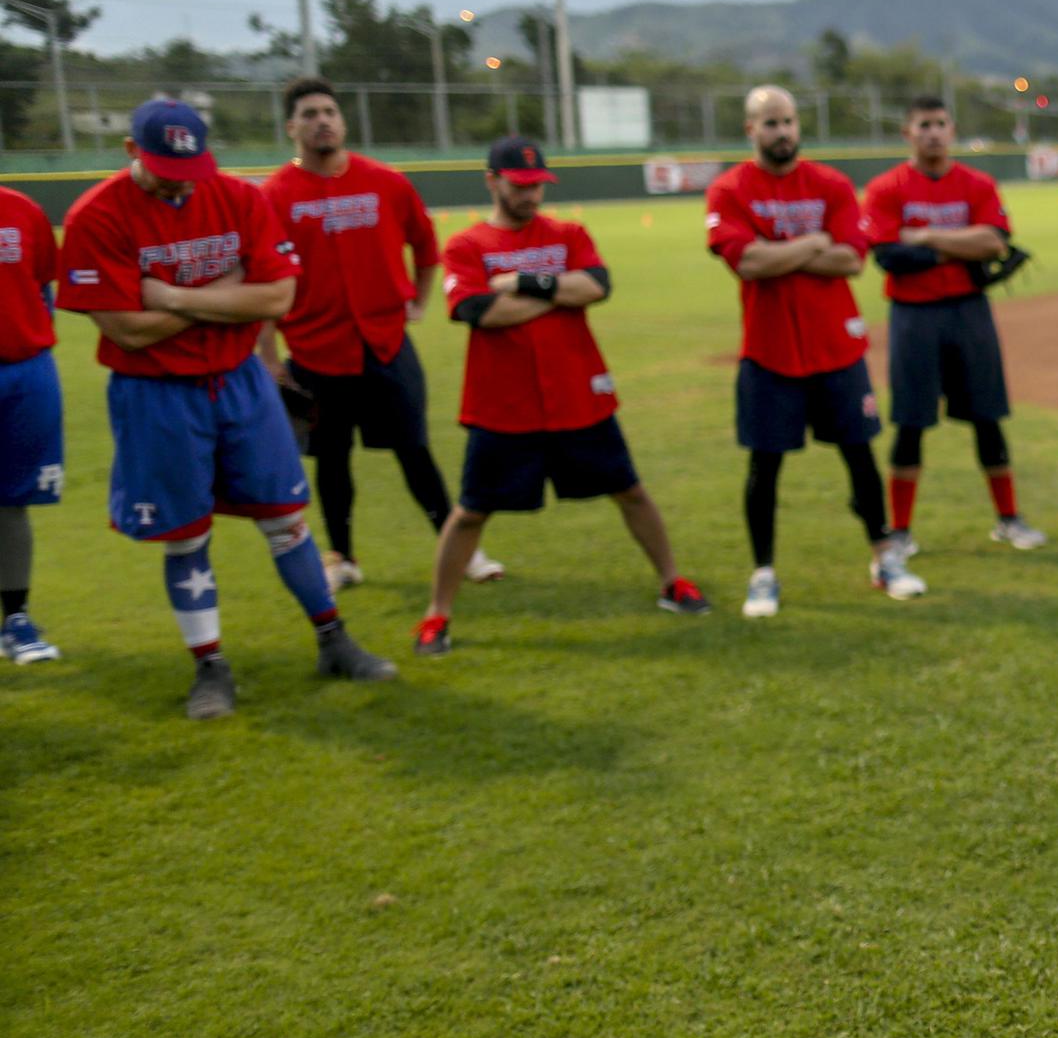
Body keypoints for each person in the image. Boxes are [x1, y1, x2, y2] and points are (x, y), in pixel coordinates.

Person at [56, 100, 397, 717]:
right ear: (132, 152)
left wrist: (170, 293)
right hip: (155, 392)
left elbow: (276, 295)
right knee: (186, 533)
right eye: (164, 167)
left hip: (239, 380)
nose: (181, 180)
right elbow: (127, 329)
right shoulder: (96, 215)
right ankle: (210, 667)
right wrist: (225, 292)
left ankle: (333, 638)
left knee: (286, 516)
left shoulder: (238, 197)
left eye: (191, 167)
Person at [412, 137, 709, 654]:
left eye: (537, 186)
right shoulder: (467, 246)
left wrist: (521, 283)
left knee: (631, 491)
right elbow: (482, 314)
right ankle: (438, 615)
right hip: (503, 406)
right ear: (492, 181)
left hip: (579, 395)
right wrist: (555, 294)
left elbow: (596, 287)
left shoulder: (569, 232)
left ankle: (671, 582)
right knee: (471, 513)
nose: (531, 196)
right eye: (520, 185)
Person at [259, 74, 500, 592]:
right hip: (315, 352)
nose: (322, 121)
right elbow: (263, 280)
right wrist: (270, 357)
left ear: (342, 121)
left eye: (329, 111)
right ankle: (341, 556)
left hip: (385, 345)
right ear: (291, 128)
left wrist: (417, 302)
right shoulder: (275, 195)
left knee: (414, 449)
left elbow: (426, 247)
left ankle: (460, 549)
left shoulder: (385, 181)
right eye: (309, 114)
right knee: (331, 459)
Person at [707, 85, 923, 613]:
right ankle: (763, 572)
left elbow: (851, 259)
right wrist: (812, 244)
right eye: (770, 123)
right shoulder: (730, 189)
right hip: (769, 350)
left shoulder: (830, 184)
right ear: (750, 130)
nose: (782, 132)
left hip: (837, 348)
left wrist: (776, 251)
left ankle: (884, 556)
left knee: (860, 456)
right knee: (765, 467)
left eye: (788, 121)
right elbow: (747, 263)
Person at [861, 96, 1045, 553]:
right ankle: (899, 530)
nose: (933, 133)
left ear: (953, 130)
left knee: (988, 416)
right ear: (907, 133)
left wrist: (924, 236)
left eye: (941, 124)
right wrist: (960, 248)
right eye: (923, 124)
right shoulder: (887, 188)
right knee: (911, 422)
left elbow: (995, 241)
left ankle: (1008, 518)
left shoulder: (977, 183)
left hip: (969, 312)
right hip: (914, 316)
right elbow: (889, 257)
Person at [0, 182, 65, 663]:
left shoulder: (23, 211)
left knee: (12, 501)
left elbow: (43, 283)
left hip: (25, 371)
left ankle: (16, 620)